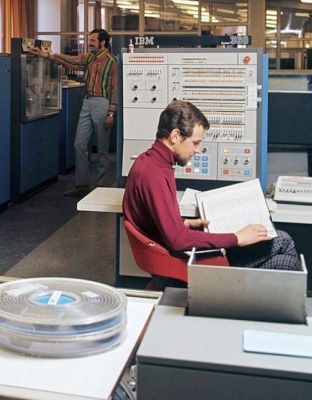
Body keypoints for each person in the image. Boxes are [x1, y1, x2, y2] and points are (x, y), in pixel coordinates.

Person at [123, 100, 300, 290]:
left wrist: (183, 223)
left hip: (174, 259)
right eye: (195, 142)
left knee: (283, 240)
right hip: (176, 270)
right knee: (286, 259)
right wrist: (237, 237)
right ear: (175, 136)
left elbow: (158, 222)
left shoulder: (150, 163)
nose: (198, 150)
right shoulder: (153, 174)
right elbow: (177, 241)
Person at [32, 29, 118, 197]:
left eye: (93, 40)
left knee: (102, 149)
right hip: (87, 102)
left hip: (103, 103)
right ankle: (82, 185)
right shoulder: (89, 58)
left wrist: (111, 113)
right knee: (79, 145)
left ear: (103, 43)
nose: (90, 43)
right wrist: (47, 55)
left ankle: (101, 188)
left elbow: (115, 90)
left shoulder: (112, 62)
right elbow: (71, 60)